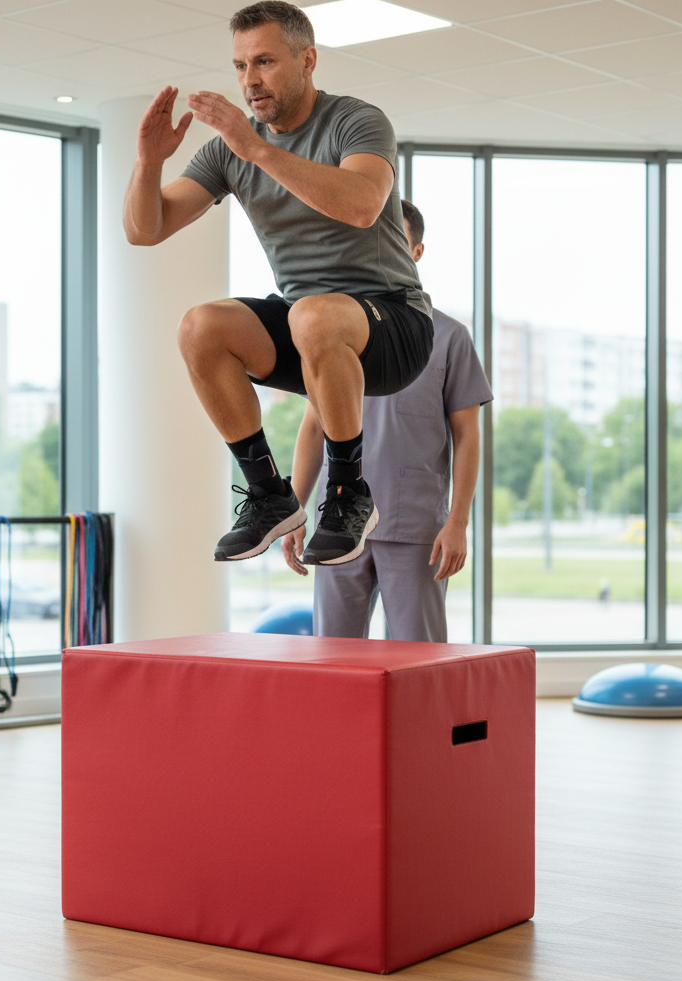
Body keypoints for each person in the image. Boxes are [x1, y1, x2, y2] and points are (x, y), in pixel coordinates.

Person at [123, 1, 433, 566]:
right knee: (201, 326)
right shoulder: (229, 149)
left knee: (312, 314)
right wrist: (147, 163)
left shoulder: (355, 121)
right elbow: (147, 230)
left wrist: (256, 149)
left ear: (307, 60)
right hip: (309, 326)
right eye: (240, 66)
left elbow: (362, 205)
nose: (250, 80)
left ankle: (348, 492)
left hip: (394, 325)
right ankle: (269, 494)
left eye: (264, 62)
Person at [281, 200, 493, 642]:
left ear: (415, 252)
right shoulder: (330, 333)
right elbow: (314, 428)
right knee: (333, 658)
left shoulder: (449, 337)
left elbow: (468, 437)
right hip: (338, 523)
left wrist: (458, 522)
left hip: (414, 526)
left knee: (419, 657)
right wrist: (293, 510)